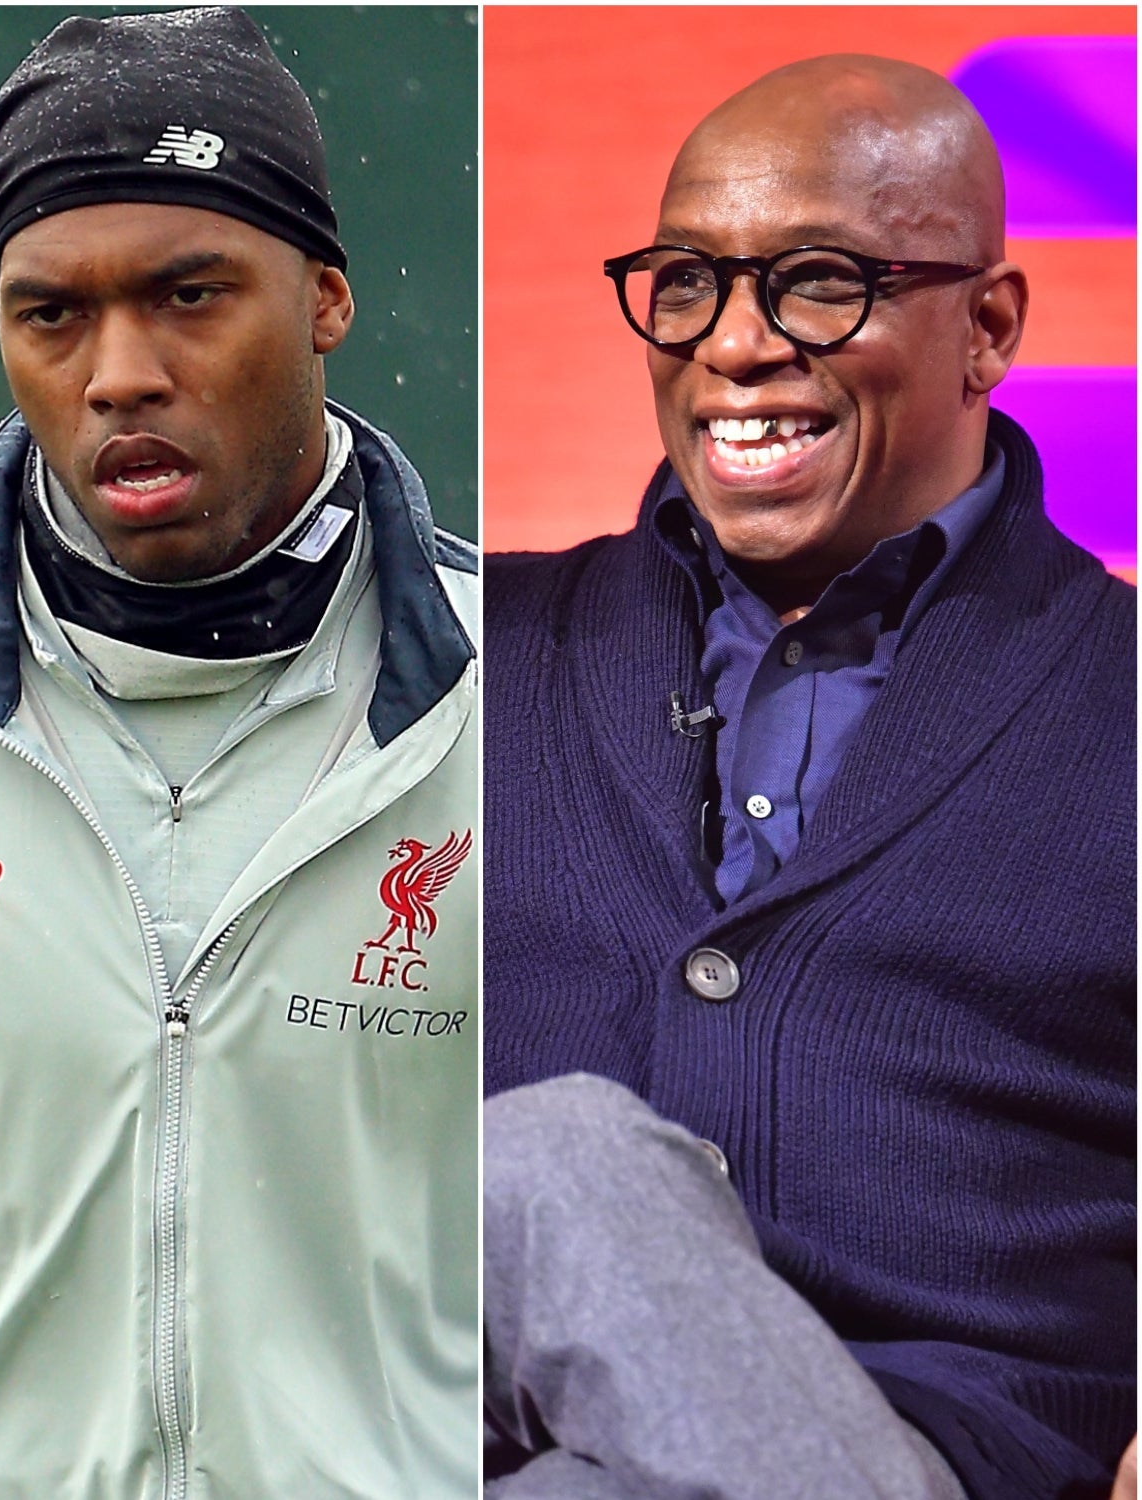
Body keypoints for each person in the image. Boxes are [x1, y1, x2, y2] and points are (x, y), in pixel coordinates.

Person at [0, 9, 479, 1497]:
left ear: (323, 298)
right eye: (52, 315)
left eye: (190, 295)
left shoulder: (532, 710)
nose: (120, 372)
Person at [482, 54, 1134, 1500]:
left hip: (947, 1451)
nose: (735, 344)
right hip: (476, 1432)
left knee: (552, 1168)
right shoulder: (462, 657)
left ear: (989, 327)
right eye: (689, 284)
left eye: (819, 283)